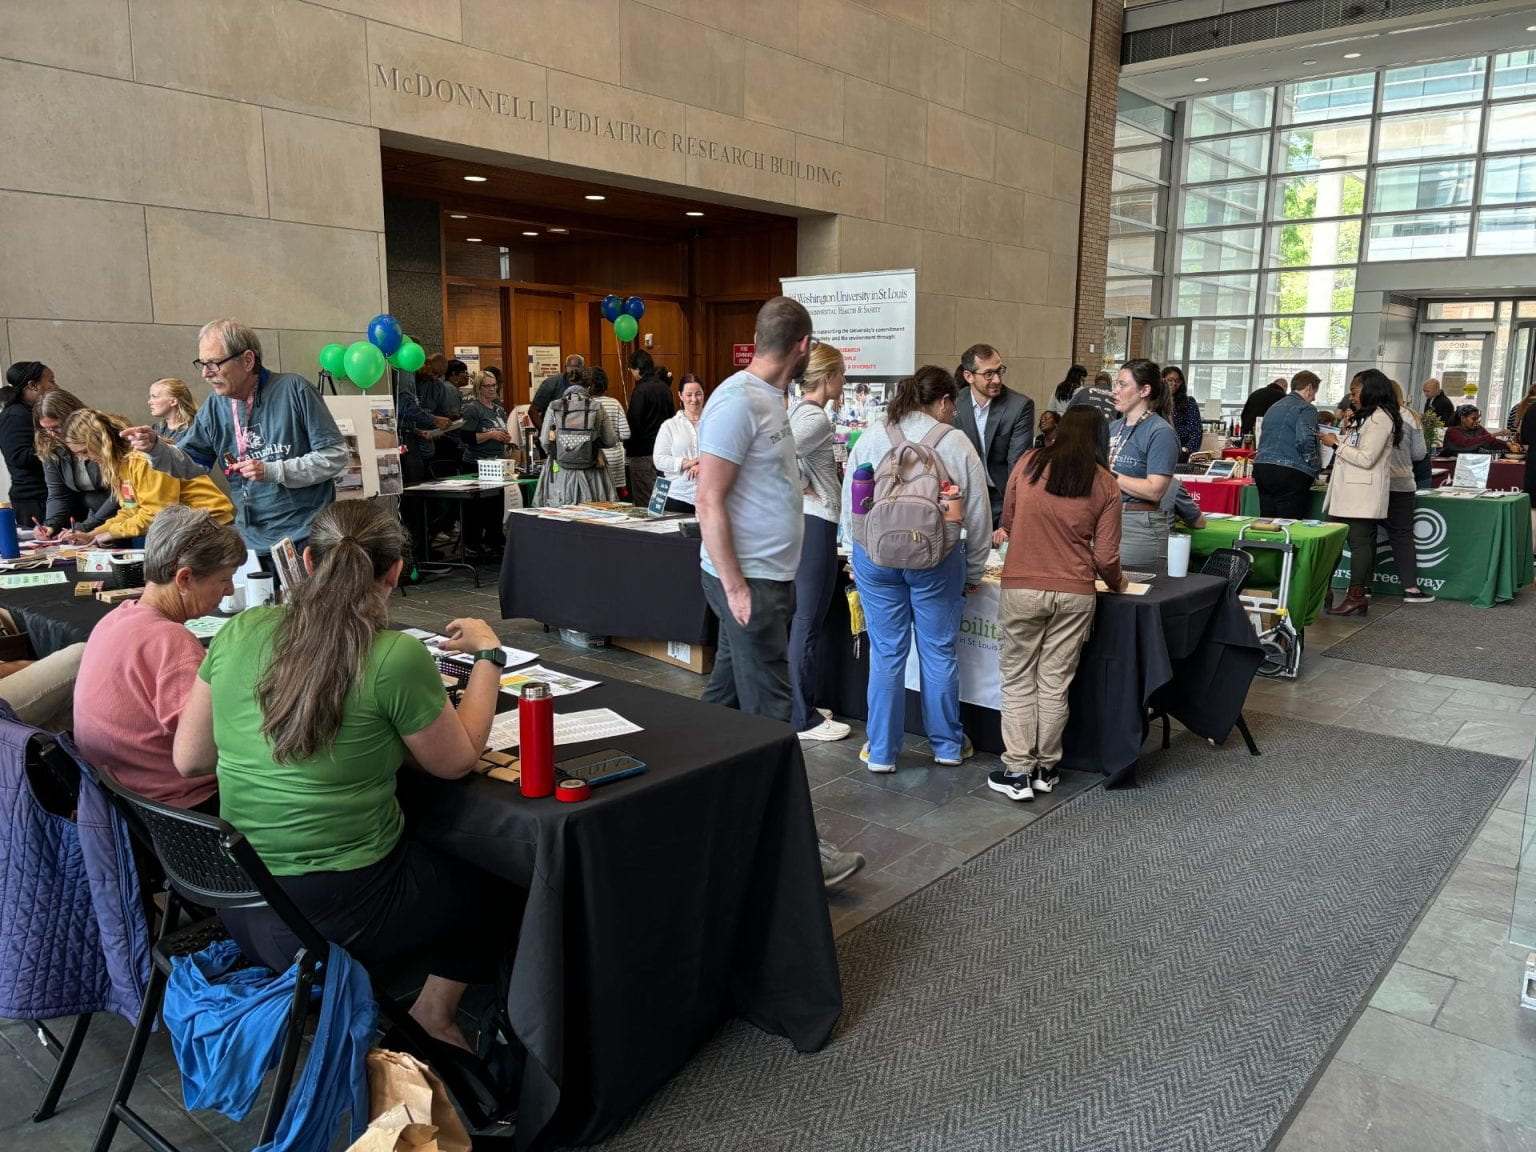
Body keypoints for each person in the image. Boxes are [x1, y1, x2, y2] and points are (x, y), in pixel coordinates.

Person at [173, 500, 519, 1051]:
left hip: (241, 901)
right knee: (501, 872)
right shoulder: (393, 656)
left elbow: (190, 760)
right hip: (333, 914)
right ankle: (434, 1013)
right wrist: (489, 656)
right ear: (396, 571)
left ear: (306, 561)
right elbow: (455, 762)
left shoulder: (241, 631)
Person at [696, 297, 863, 888]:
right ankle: (800, 854)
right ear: (801, 346)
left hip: (768, 579)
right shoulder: (737, 402)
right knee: (773, 719)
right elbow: (708, 499)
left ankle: (683, 804)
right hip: (751, 586)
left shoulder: (769, 400)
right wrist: (737, 586)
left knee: (723, 702)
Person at [841, 365, 990, 774]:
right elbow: (976, 516)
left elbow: (847, 506)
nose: (954, 414)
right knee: (938, 651)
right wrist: (973, 571)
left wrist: (854, 556)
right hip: (937, 561)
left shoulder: (872, 435)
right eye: (952, 406)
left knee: (886, 654)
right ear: (943, 401)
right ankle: (947, 745)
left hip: (876, 560)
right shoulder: (956, 443)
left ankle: (882, 751)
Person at [121, 320, 346, 565]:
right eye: (202, 364)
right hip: (251, 542)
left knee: (308, 605)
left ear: (248, 360)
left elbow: (335, 456)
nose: (206, 374)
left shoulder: (294, 389)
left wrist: (274, 470)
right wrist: (156, 447)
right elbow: (190, 464)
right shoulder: (215, 406)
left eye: (214, 364)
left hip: (305, 537)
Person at [988, 406, 1125, 802]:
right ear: (1102, 439)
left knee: (1017, 681)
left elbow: (1008, 521)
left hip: (1022, 588)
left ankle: (1017, 771)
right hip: (1076, 593)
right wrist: (1119, 583)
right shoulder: (1106, 483)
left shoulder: (1029, 463)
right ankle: (1046, 769)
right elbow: (1106, 558)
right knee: (1054, 683)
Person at [74, 507, 246, 810]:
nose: (229, 590)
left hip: (121, 797)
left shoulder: (116, 619)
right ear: (185, 578)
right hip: (180, 809)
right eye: (225, 579)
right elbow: (200, 755)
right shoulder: (171, 642)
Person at [788, 344, 851, 744]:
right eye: (841, 374)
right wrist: (804, 485)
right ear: (827, 377)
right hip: (816, 523)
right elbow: (771, 456)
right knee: (807, 622)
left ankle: (802, 703)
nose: (844, 382)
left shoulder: (802, 413)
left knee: (806, 620)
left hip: (809, 523)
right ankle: (802, 717)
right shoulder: (814, 419)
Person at [63, 409, 234, 544]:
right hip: (187, 529)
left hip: (210, 529)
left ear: (99, 442)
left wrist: (110, 534)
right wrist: (93, 534)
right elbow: (131, 511)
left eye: (84, 451)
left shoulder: (143, 459)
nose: (84, 459)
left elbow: (156, 514)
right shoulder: (122, 464)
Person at [1321, 369, 1402, 617]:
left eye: (1354, 392)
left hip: (1361, 494)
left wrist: (1335, 444)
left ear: (1370, 390)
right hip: (1346, 491)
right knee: (1330, 542)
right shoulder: (1365, 418)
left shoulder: (1381, 419)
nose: (1351, 397)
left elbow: (1367, 458)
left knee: (1359, 543)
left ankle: (1356, 595)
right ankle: (1323, 589)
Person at [952, 344, 1034, 529]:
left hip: (1002, 496)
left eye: (999, 371)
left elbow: (1018, 466)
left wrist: (1011, 517)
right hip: (964, 495)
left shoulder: (1019, 406)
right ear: (968, 376)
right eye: (988, 374)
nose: (997, 379)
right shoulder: (955, 403)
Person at [1108, 359, 1179, 567]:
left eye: (1122, 385)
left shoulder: (1160, 432)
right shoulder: (1113, 427)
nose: (1115, 391)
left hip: (1139, 526)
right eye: (1116, 384)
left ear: (1144, 390)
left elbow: (1155, 490)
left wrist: (1109, 474)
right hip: (1107, 519)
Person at [32, 389, 117, 540]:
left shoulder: (104, 437)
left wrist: (88, 526)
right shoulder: (49, 445)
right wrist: (50, 524)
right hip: (96, 517)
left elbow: (120, 492)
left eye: (56, 427)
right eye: (46, 430)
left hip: (123, 517)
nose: (52, 434)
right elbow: (58, 493)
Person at [1379, 380, 1435, 604]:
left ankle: (1361, 588)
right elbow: (1419, 453)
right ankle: (1410, 588)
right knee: (1402, 535)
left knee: (1367, 536)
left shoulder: (1370, 415)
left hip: (1373, 484)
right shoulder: (1410, 415)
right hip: (1402, 482)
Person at [533, 374, 617, 507]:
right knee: (594, 510)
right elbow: (611, 440)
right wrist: (591, 443)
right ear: (588, 387)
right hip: (592, 468)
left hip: (560, 469)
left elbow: (545, 440)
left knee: (560, 512)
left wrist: (558, 450)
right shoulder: (596, 406)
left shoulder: (554, 406)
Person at [457, 369, 514, 559]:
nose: (491, 389)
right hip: (477, 463)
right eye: (487, 386)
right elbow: (466, 437)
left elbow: (500, 430)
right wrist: (490, 435)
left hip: (497, 462)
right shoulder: (472, 409)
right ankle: (473, 544)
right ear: (478, 387)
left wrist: (504, 437)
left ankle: (494, 539)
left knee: (496, 506)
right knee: (477, 507)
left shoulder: (498, 408)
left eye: (494, 385)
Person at [1252, 370, 1322, 518]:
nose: (1314, 398)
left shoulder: (1274, 407)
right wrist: (1315, 466)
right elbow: (1305, 439)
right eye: (1314, 392)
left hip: (1262, 468)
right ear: (1309, 388)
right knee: (1288, 524)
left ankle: (1263, 542)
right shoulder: (1307, 408)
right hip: (1290, 472)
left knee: (1266, 522)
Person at [0, 361, 58, 526]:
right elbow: (19, 457)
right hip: (34, 500)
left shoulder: (35, 412)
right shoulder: (15, 416)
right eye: (51, 381)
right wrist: (57, 444)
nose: (56, 386)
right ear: (33, 385)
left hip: (51, 494)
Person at [627, 350, 676, 508]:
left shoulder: (640, 391)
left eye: (632, 370)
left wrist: (628, 447)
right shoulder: (664, 388)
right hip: (664, 455)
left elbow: (633, 424)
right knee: (659, 503)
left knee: (644, 504)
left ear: (638, 369)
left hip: (643, 455)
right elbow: (672, 419)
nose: (632, 373)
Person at [653, 374, 704, 513]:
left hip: (710, 499)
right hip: (678, 496)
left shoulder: (715, 423)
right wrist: (689, 462)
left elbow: (726, 455)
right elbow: (659, 460)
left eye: (698, 394)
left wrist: (704, 464)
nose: (694, 399)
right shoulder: (669, 426)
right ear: (680, 395)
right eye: (689, 395)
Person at [587, 367, 631, 497]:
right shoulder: (615, 403)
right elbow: (626, 433)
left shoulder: (587, 404)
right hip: (615, 460)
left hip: (595, 460)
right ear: (605, 387)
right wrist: (612, 436)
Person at [531, 354, 584, 429]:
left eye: (576, 370)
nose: (573, 373)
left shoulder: (586, 383)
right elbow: (533, 410)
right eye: (570, 370)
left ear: (582, 369)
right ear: (565, 367)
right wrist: (544, 432)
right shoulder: (550, 384)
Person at [1165, 366, 1203, 459]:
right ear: (1162, 380)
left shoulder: (1188, 402)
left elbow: (1196, 431)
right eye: (1170, 380)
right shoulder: (1153, 402)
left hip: (1181, 452)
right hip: (1158, 450)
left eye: (1177, 381)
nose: (1174, 383)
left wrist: (1186, 450)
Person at [148, 377, 198, 444]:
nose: (149, 402)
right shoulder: (155, 429)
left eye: (154, 397)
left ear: (173, 401)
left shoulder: (194, 430)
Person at [1443, 405, 1509, 455]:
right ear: (1462, 418)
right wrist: (1495, 434)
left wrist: (1507, 444)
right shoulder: (1452, 431)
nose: (1477, 421)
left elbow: (1491, 442)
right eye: (1474, 419)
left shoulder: (1478, 429)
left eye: (1478, 419)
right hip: (1452, 463)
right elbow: (1466, 445)